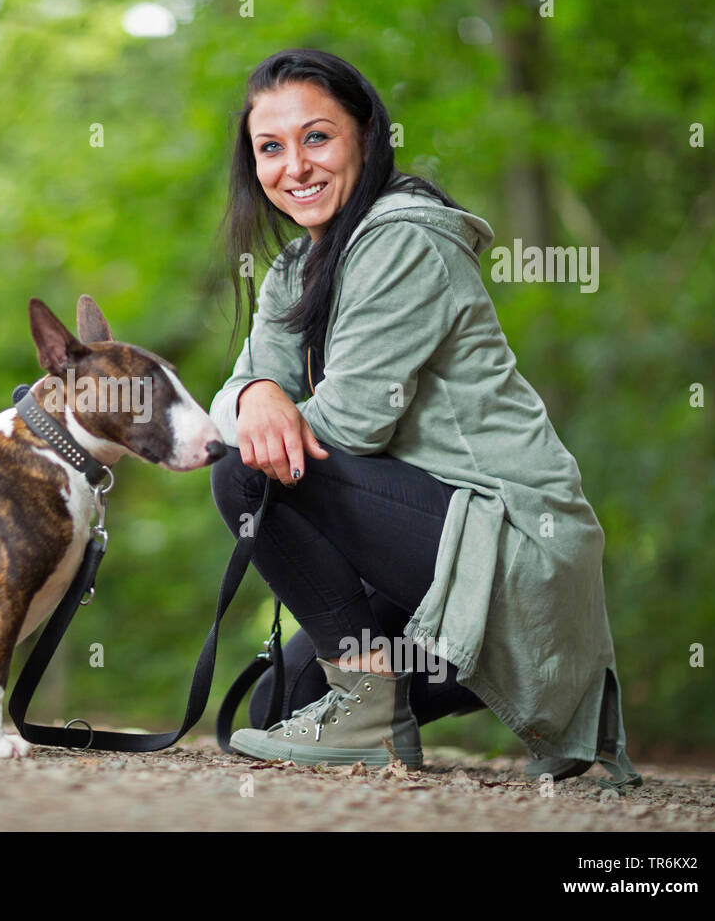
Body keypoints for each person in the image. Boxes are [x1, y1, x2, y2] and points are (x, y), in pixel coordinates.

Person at [208, 48, 639, 788]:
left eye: (318, 137)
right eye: (270, 148)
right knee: (281, 701)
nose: (295, 166)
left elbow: (347, 427)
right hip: (421, 541)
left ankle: (381, 710)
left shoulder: (404, 237)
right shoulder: (294, 271)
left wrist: (258, 412)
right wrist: (252, 395)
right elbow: (241, 394)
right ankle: (376, 699)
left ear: (367, 139)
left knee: (246, 472)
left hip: (507, 542)